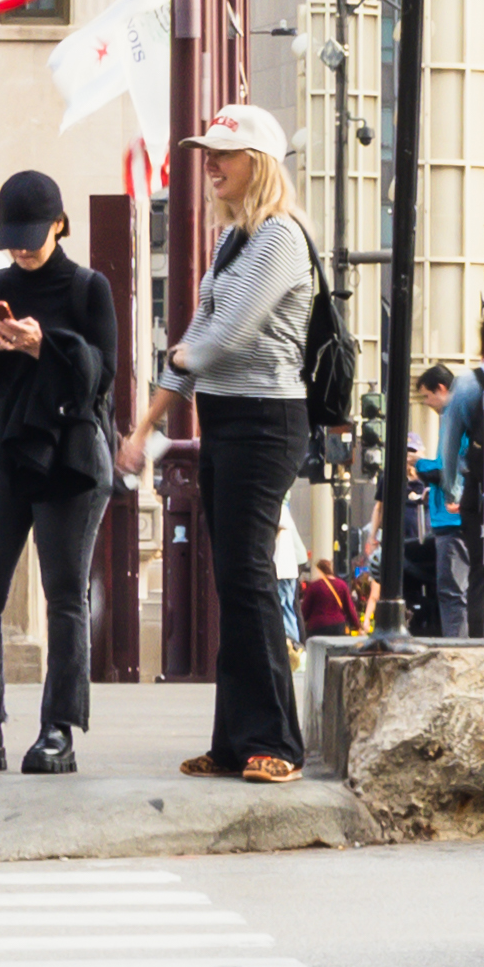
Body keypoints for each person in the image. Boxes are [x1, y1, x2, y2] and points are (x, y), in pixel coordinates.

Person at [142, 107, 318, 784]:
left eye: (224, 153)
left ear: (259, 162)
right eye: (207, 153)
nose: (210, 164)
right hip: (226, 416)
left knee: (248, 577)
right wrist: (148, 420)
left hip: (266, 418)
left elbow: (226, 335)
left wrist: (185, 357)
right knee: (233, 581)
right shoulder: (232, 241)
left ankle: (278, 742)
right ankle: (234, 742)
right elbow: (197, 332)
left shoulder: (281, 235)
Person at [0, 171, 115, 778]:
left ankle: (58, 731)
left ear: (59, 225)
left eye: (32, 236)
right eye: (12, 237)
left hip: (69, 455)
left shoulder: (88, 287)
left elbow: (102, 376)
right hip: (4, 448)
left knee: (65, 595)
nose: (21, 248)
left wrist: (45, 345)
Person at [410, 361, 484, 641]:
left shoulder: (456, 416)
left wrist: (419, 464)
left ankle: (458, 643)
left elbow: (449, 467)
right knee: (462, 587)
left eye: (427, 396)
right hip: (457, 515)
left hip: (451, 518)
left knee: (453, 591)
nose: (427, 404)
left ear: (441, 389)